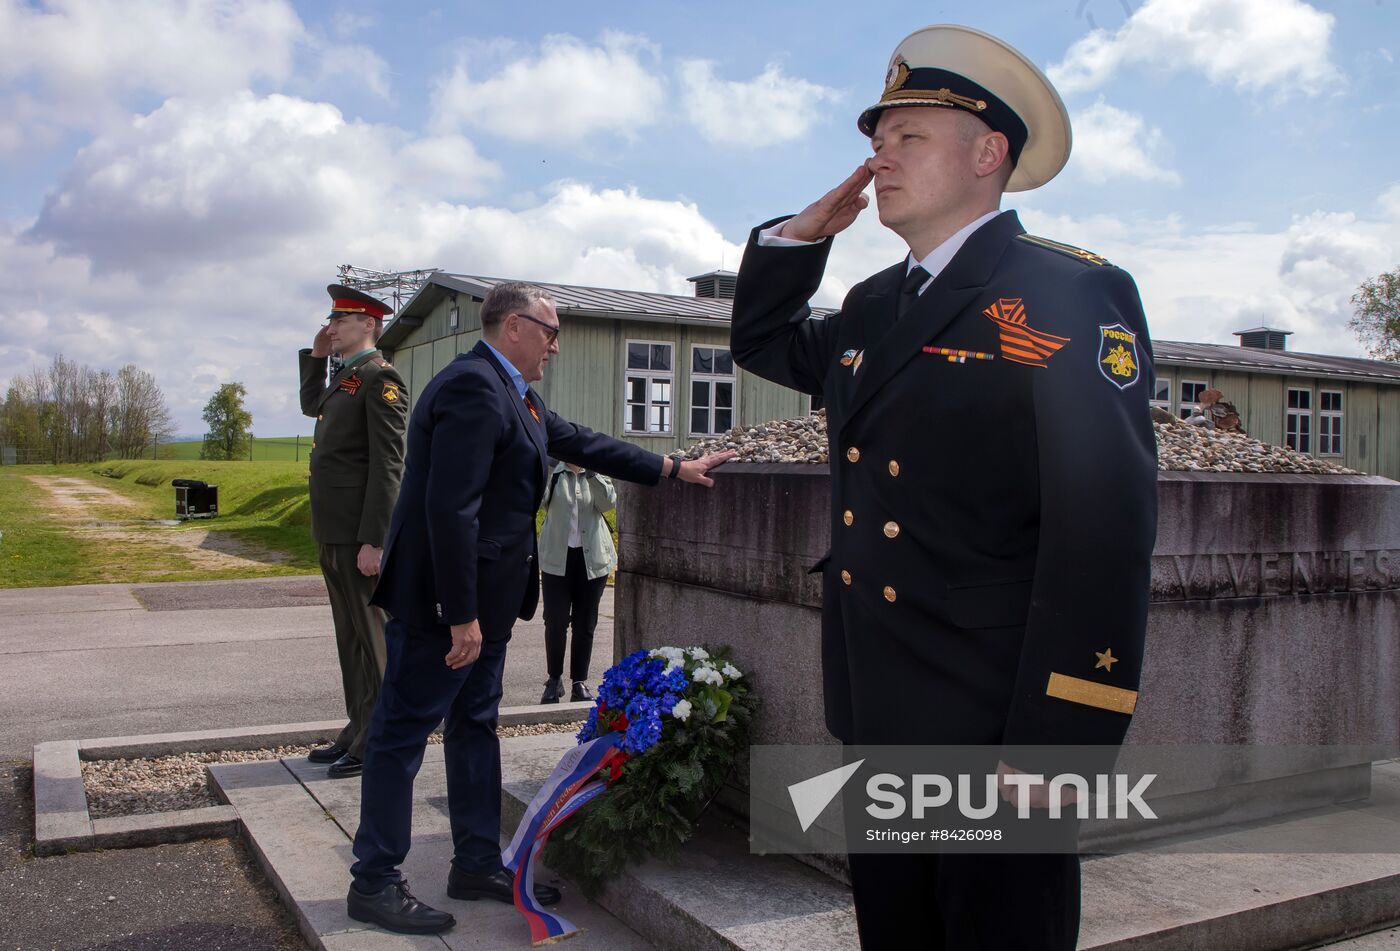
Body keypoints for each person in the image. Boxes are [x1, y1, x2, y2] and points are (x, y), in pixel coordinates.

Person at [729, 24, 1158, 950]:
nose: (878, 159)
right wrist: (801, 237)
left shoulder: (1067, 293)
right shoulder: (878, 303)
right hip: (882, 704)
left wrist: (1057, 742)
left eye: (906, 138)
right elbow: (763, 342)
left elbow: (1102, 528)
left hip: (995, 718)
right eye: (875, 143)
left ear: (986, 151)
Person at [346, 281, 736, 935]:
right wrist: (459, 611)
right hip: (448, 605)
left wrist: (668, 467)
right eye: (550, 330)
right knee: (400, 735)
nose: (557, 343)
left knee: (475, 724)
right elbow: (451, 508)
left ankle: (474, 860)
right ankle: (374, 879)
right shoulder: (473, 386)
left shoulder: (513, 393)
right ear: (514, 326)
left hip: (485, 605)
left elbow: (578, 439)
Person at [298, 284, 408, 780]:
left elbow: (389, 464)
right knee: (350, 640)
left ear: (370, 324)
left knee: (373, 640)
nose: (332, 327)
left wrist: (375, 539)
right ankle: (359, 726)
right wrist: (315, 358)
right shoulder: (347, 378)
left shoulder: (381, 380)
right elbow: (310, 407)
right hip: (333, 528)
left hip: (358, 534)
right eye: (332, 319)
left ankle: (379, 740)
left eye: (341, 320)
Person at [538, 461, 616, 703]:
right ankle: (554, 680)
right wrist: (548, 469)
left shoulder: (597, 474)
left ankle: (578, 682)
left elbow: (608, 503)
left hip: (592, 560)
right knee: (555, 621)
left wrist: (592, 472)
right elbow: (538, 502)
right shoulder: (555, 474)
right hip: (557, 559)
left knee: (585, 623)